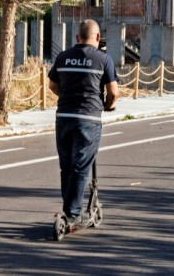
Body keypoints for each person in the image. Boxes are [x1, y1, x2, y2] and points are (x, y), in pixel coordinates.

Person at [48, 19, 118, 225]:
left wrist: (66, 95)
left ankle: (68, 210)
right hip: (88, 118)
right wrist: (107, 105)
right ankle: (73, 213)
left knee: (66, 166)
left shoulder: (63, 57)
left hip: (63, 117)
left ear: (77, 37)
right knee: (80, 167)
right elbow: (113, 92)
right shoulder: (103, 59)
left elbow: (52, 85)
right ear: (98, 37)